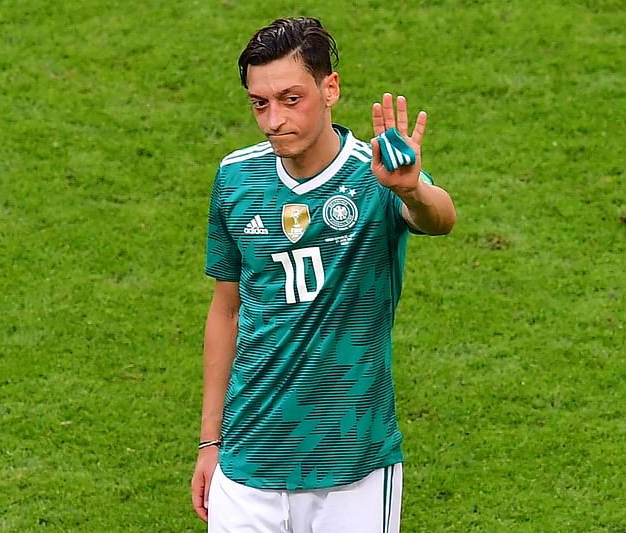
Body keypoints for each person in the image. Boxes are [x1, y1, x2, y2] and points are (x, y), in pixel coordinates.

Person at [191, 17, 456, 533]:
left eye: (291, 99)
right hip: (248, 460)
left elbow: (440, 219)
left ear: (329, 87)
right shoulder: (235, 177)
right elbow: (226, 309)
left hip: (352, 465)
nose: (273, 120)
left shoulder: (376, 172)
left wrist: (410, 189)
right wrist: (209, 441)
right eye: (259, 104)